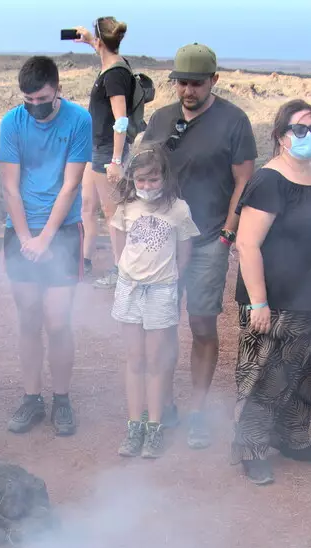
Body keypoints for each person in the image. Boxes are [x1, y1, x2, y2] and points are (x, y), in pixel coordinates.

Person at [231, 100, 311, 485]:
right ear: (281, 136)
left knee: (308, 374)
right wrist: (259, 303)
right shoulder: (268, 180)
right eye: (300, 129)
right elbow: (247, 245)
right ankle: (250, 446)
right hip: (277, 300)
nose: (309, 136)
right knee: (266, 376)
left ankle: (292, 437)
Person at [144, 42, 257, 449]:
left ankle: (198, 410)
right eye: (181, 83)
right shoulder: (161, 119)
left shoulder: (234, 121)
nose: (187, 91)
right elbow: (143, 172)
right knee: (162, 324)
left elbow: (244, 180)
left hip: (209, 238)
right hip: (163, 242)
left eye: (195, 83)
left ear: (214, 80)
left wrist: (229, 231)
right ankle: (165, 404)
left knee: (202, 323)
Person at [0, 55, 92, 438]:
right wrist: (26, 239)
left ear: (58, 90)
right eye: (28, 100)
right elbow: (9, 186)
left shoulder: (79, 120)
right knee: (29, 317)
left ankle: (62, 398)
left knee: (57, 320)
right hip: (20, 229)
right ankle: (32, 397)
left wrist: (46, 238)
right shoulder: (11, 123)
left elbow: (71, 185)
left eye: (43, 99)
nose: (35, 107)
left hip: (63, 231)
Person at [110, 145, 199, 459]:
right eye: (140, 180)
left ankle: (155, 426)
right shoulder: (126, 207)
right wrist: (124, 270)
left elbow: (184, 250)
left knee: (156, 359)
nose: (146, 186)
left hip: (161, 290)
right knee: (135, 359)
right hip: (130, 288)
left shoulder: (178, 209)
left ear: (165, 177)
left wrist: (170, 277)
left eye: (152, 179)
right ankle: (135, 424)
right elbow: (117, 241)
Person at [74, 16, 136, 288]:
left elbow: (120, 119)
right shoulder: (112, 64)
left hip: (107, 151)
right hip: (94, 147)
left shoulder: (114, 75)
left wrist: (115, 161)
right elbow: (105, 51)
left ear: (101, 41)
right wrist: (90, 40)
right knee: (87, 205)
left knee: (113, 214)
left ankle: (121, 270)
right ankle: (83, 262)